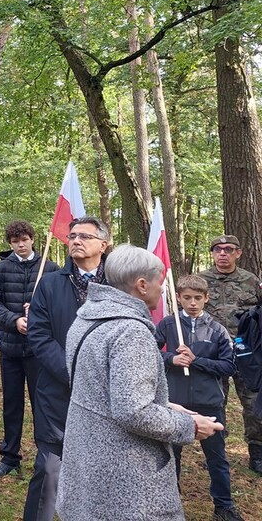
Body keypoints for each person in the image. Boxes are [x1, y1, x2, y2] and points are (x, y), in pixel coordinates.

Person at [57, 245, 224, 521]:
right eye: (160, 280)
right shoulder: (130, 331)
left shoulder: (88, 316)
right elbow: (133, 411)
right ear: (142, 285)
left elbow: (102, 389)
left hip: (89, 461)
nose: (163, 288)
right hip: (125, 478)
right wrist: (190, 425)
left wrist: (166, 405)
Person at [24, 216, 110, 521]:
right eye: (72, 236)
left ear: (104, 244)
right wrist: (72, 371)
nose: (75, 240)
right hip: (57, 392)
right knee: (49, 470)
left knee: (101, 474)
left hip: (106, 395)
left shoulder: (119, 284)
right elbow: (38, 335)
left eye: (85, 236)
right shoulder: (49, 284)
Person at [155, 275, 245, 521]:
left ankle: (223, 506)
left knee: (216, 458)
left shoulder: (217, 330)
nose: (192, 303)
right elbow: (149, 353)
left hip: (209, 402)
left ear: (206, 298)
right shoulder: (167, 325)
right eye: (187, 298)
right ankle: (168, 500)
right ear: (179, 298)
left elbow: (229, 366)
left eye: (197, 298)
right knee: (170, 455)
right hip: (175, 402)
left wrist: (197, 361)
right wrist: (170, 359)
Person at [0, 220, 60, 478]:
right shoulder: (1, 270)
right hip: (11, 348)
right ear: (10, 243)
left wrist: (40, 314)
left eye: (24, 239)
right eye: (15, 241)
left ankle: (47, 456)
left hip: (42, 351)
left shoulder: (50, 270)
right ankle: (9, 456)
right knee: (12, 404)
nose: (20, 244)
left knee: (44, 404)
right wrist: (14, 320)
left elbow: (61, 304)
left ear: (32, 239)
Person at [200, 234, 262, 474]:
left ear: (239, 253)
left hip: (247, 353)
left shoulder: (251, 281)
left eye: (228, 249)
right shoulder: (201, 280)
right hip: (213, 352)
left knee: (254, 402)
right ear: (213, 253)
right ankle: (216, 451)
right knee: (214, 401)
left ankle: (257, 452)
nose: (223, 253)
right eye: (218, 249)